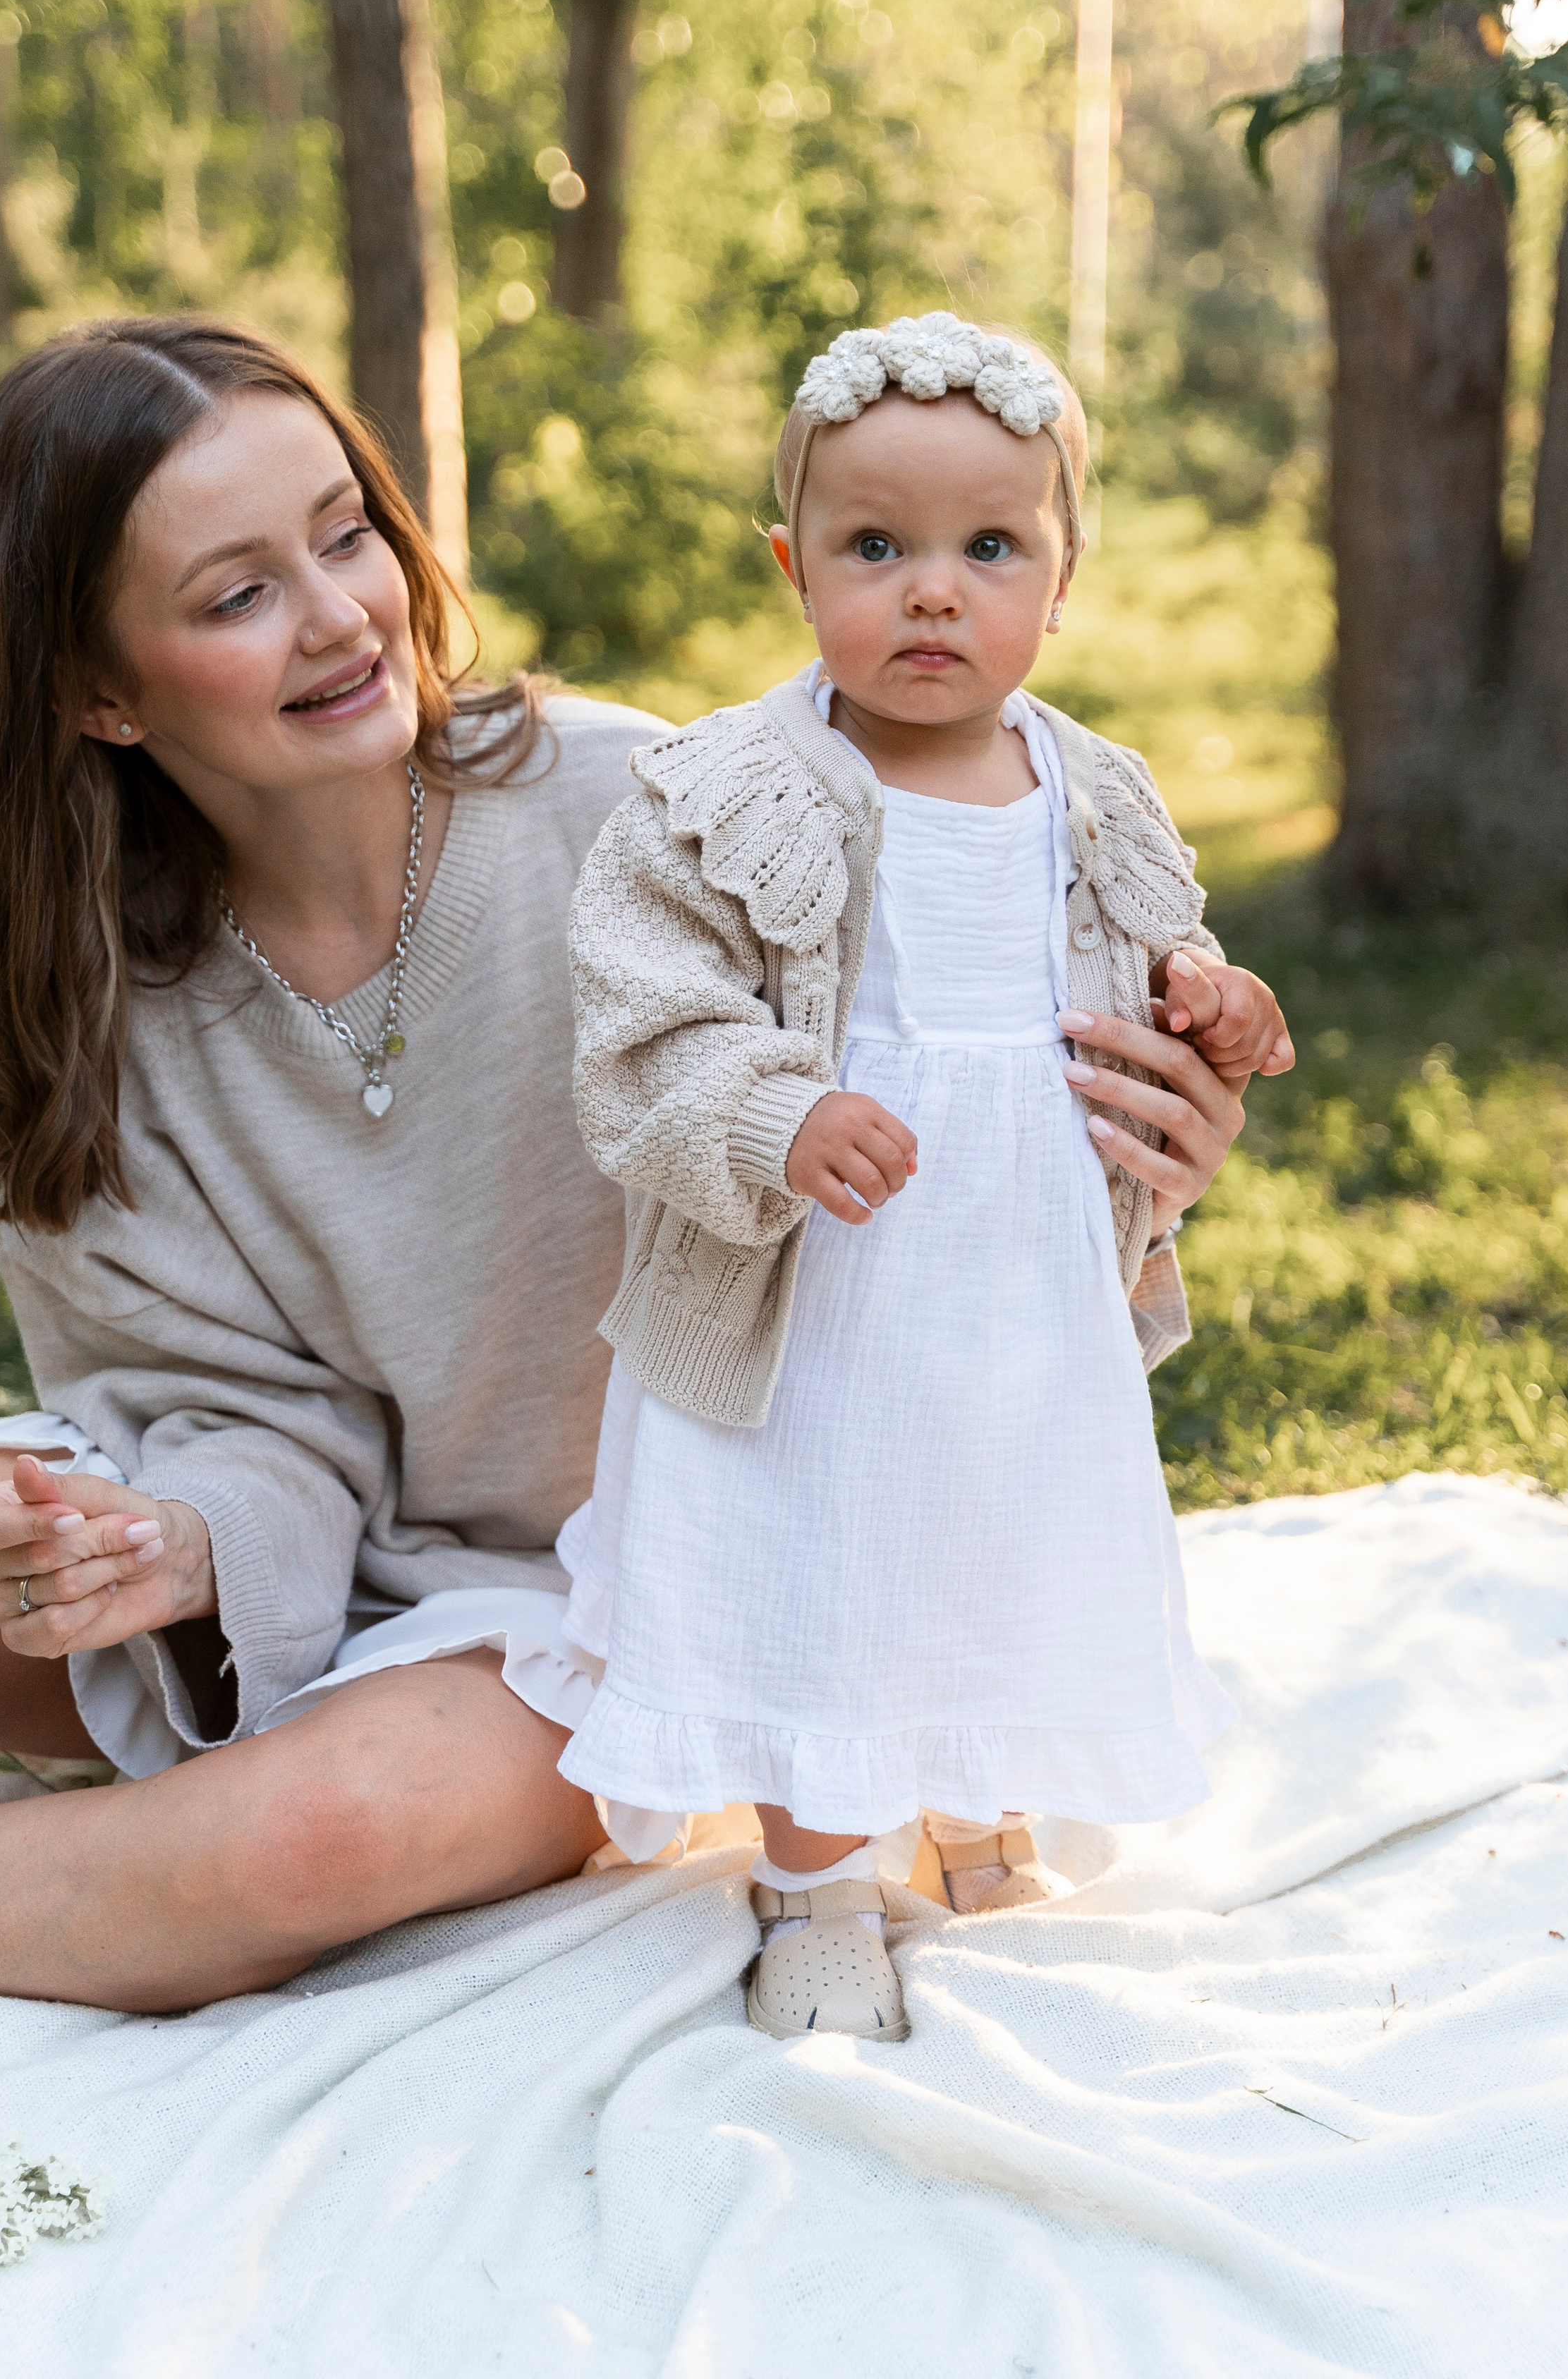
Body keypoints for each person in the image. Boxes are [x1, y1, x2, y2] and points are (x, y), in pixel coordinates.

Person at [0, 314, 1255, 2015]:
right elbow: (224, 1406)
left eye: (345, 534)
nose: (336, 617)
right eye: (234, 596)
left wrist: (1154, 1152)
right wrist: (171, 1541)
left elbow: (967, 1103)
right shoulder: (80, 1005)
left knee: (311, 1838)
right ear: (94, 690)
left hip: (636, 1576)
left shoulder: (654, 808)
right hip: (279, 1531)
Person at [558, 314, 1293, 2042]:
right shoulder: (720, 793)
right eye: (872, 548)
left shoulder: (1091, 791)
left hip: (1021, 1281)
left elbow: (1152, 958)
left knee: (999, 1528)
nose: (931, 592)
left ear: (1061, 576)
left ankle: (973, 1792)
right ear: (790, 564)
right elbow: (641, 1029)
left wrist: (1218, 1003)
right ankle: (813, 1881)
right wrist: (771, 1121)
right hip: (816, 1284)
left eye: (987, 548)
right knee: (823, 1548)